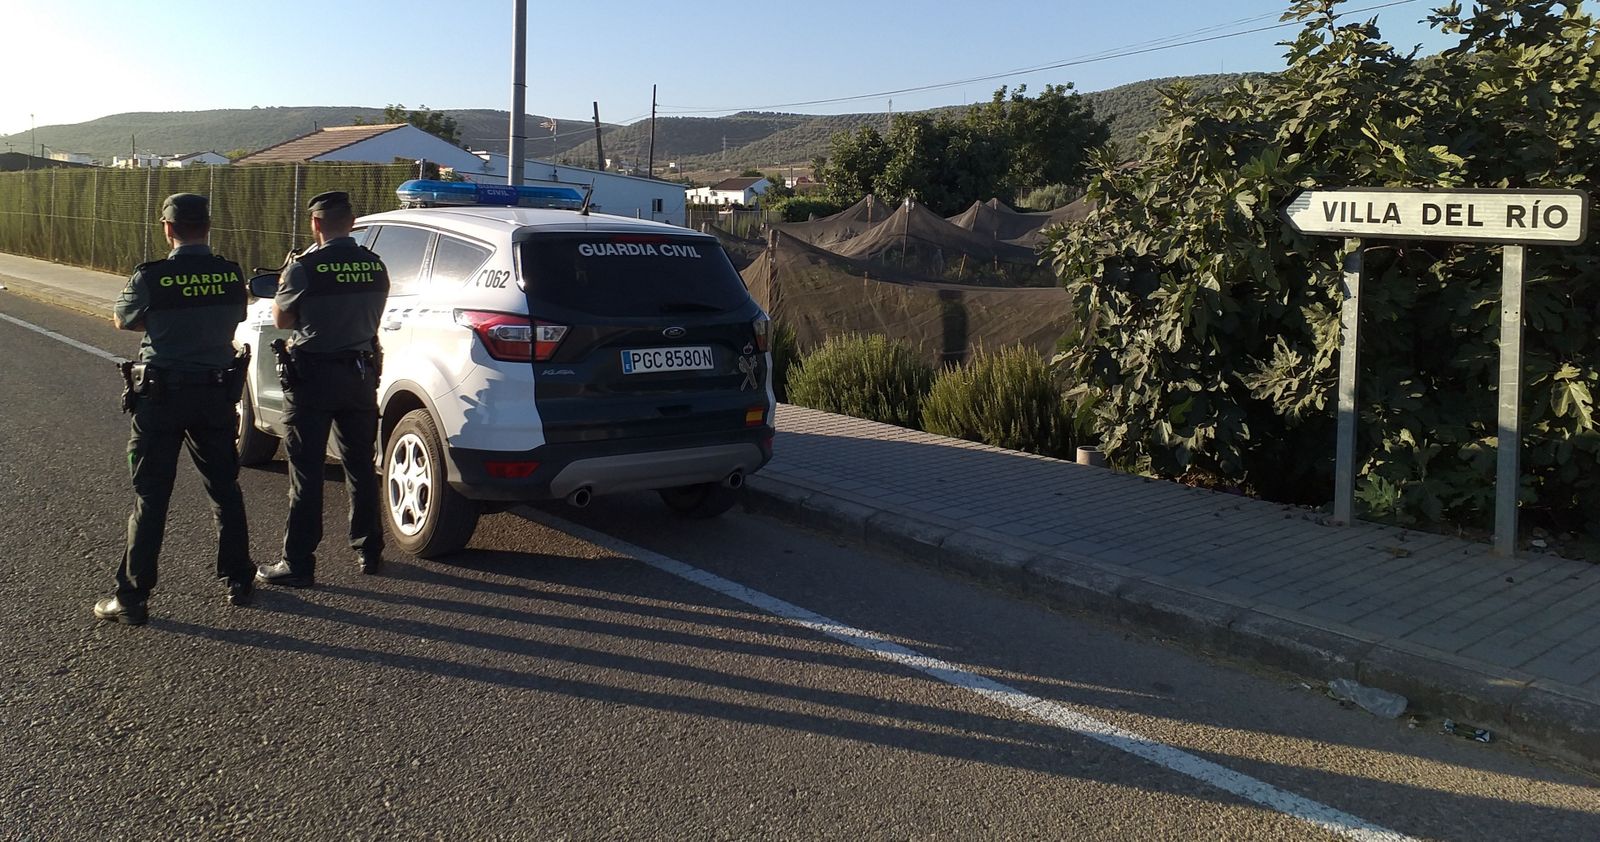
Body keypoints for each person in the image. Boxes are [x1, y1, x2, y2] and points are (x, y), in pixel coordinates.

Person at [94, 193, 253, 625]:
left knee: (151, 496)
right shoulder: (228, 274)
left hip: (162, 397)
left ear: (168, 228)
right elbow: (235, 316)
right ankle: (240, 579)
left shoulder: (153, 277)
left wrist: (166, 323)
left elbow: (123, 320)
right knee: (224, 488)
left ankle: (132, 599)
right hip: (216, 394)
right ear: (207, 226)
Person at [255, 191, 390, 588]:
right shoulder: (375, 265)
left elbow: (282, 320)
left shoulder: (304, 268)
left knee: (306, 472)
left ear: (316, 224)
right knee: (361, 466)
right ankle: (369, 549)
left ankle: (297, 562)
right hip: (359, 376)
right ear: (351, 222)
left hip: (312, 377)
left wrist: (287, 279)